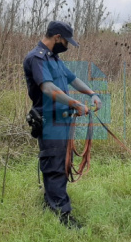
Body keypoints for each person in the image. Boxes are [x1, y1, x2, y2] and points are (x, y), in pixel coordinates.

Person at [23, 20, 102, 228]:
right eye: (66, 41)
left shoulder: (55, 60)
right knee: (55, 167)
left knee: (63, 163)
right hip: (49, 121)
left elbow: (73, 79)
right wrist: (76, 103)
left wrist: (92, 93)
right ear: (57, 38)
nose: (67, 46)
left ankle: (53, 202)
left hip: (63, 119)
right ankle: (62, 215)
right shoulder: (36, 58)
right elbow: (48, 89)